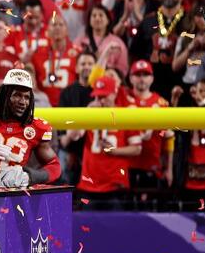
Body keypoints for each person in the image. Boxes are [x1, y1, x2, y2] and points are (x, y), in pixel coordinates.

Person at [64, 76, 142, 202]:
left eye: (103, 97)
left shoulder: (125, 114)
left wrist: (115, 151)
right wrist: (86, 113)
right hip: (89, 182)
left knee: (115, 221)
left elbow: (137, 148)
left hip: (115, 183)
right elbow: (72, 135)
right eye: (97, 97)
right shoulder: (91, 114)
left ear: (114, 94)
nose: (100, 101)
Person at [123, 60, 170, 189]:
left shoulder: (161, 103)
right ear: (131, 78)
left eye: (145, 74)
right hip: (126, 165)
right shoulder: (123, 98)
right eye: (138, 75)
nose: (142, 79)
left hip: (152, 165)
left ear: (152, 78)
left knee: (150, 207)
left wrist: (169, 168)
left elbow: (167, 136)